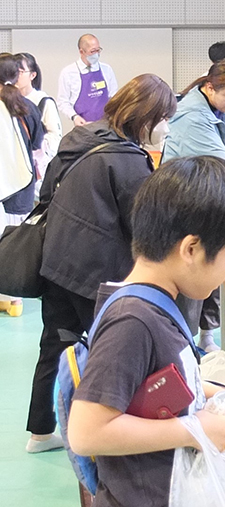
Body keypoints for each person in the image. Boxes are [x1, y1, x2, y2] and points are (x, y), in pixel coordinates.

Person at [67, 156, 225, 506]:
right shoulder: (132, 321)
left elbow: (167, 380)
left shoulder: (154, 304)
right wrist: (194, 430)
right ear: (191, 249)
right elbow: (86, 432)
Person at [25, 74, 176, 453]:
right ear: (147, 118)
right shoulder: (127, 159)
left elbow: (46, 194)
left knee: (55, 346)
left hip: (56, 261)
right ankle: (110, 432)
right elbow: (143, 223)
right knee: (112, 351)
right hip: (96, 274)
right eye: (162, 119)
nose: (164, 128)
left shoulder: (77, 139)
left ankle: (40, 432)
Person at [162, 58, 225, 351]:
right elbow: (221, 163)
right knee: (192, 272)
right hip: (184, 202)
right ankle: (184, 345)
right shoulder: (190, 116)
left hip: (207, 196)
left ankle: (207, 336)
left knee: (213, 265)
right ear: (210, 87)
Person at [0, 53, 44, 318]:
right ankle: (14, 298)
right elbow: (38, 145)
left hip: (3, 187)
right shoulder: (27, 106)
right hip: (22, 186)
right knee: (15, 240)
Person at [14, 52, 63, 182]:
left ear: (32, 75)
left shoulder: (43, 101)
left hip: (38, 170)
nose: (16, 76)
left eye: (20, 72)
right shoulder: (10, 101)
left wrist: (37, 147)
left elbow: (55, 137)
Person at [57, 33, 118, 126]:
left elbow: (114, 97)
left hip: (106, 125)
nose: (96, 54)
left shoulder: (107, 70)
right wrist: (74, 117)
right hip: (83, 127)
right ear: (82, 52)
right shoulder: (68, 73)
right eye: (93, 51)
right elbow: (62, 102)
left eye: (98, 50)